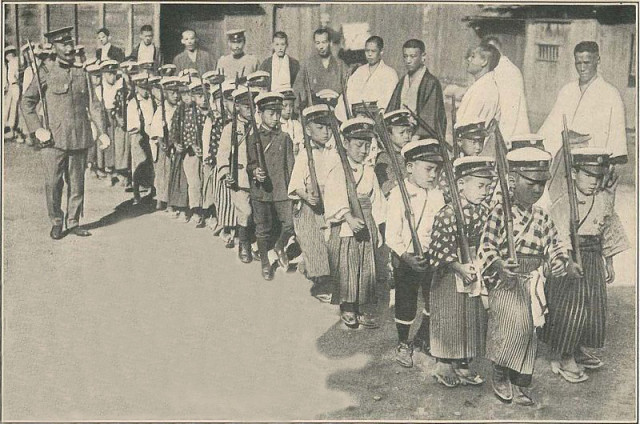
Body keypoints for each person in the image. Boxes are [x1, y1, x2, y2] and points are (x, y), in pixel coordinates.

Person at [478, 146, 577, 406]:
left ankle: (520, 383)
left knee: (529, 333)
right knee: (511, 329)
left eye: (541, 184)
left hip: (532, 280)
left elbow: (554, 246)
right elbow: (486, 246)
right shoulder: (499, 211)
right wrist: (498, 263)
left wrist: (558, 262)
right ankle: (500, 372)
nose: (536, 189)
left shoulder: (542, 216)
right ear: (512, 180)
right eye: (530, 182)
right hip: (506, 279)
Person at [540, 147, 629, 383]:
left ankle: (577, 347)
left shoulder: (602, 200)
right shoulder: (564, 202)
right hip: (570, 259)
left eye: (597, 177)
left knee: (591, 306)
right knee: (571, 308)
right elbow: (558, 235)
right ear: (574, 173)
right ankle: (564, 353)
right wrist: (569, 262)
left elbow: (608, 230)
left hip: (593, 258)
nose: (593, 182)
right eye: (588, 175)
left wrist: (609, 261)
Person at [22, 27, 104, 239]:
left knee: (77, 184)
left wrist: (102, 131)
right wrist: (37, 128)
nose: (68, 49)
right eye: (62, 45)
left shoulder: (81, 72)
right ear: (54, 47)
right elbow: (27, 101)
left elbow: (93, 105)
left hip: (79, 136)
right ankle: (57, 221)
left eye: (69, 44)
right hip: (53, 140)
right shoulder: (47, 71)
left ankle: (74, 221)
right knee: (53, 183)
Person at [428, 156, 495, 387]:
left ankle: (463, 362)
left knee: (471, 317)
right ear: (461, 185)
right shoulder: (447, 213)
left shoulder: (485, 211)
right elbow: (438, 248)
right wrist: (457, 266)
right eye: (480, 185)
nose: (485, 191)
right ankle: (444, 364)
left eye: (488, 186)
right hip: (450, 275)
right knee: (451, 318)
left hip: (475, 268)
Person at [538, 41, 628, 205]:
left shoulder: (610, 94)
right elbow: (552, 125)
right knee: (559, 206)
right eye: (578, 63)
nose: (582, 68)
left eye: (586, 62)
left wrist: (610, 167)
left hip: (592, 165)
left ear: (597, 60)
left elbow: (616, 135)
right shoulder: (567, 91)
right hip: (564, 162)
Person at [386, 139, 445, 367]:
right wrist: (405, 255)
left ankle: (423, 335)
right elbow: (391, 234)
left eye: (436, 170)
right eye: (428, 169)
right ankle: (403, 341)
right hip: (407, 258)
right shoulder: (399, 195)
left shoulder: (437, 194)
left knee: (433, 299)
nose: (433, 175)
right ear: (410, 167)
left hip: (432, 256)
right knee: (406, 301)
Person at [324, 116, 387, 329]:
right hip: (347, 223)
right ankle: (347, 304)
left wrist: (378, 225)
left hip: (366, 220)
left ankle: (361, 304)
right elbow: (334, 195)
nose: (363, 150)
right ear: (346, 143)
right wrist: (348, 217)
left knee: (364, 264)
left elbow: (377, 198)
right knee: (348, 264)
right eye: (359, 145)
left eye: (367, 146)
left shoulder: (369, 171)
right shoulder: (339, 169)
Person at [288, 103, 337, 300]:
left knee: (330, 243)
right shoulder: (304, 156)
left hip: (331, 203)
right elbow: (295, 184)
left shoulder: (333, 153)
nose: (325, 132)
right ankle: (320, 283)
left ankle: (310, 267)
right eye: (320, 128)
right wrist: (307, 196)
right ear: (308, 130)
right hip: (310, 205)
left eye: (328, 127)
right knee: (315, 242)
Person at [246, 92, 295, 280]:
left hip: (281, 188)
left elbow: (290, 165)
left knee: (290, 224)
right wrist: (254, 172)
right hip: (262, 191)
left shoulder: (285, 138)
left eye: (277, 113)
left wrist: (293, 190)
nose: (275, 118)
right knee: (262, 228)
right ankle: (265, 262)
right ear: (260, 114)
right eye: (270, 114)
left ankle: (280, 245)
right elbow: (249, 164)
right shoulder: (253, 138)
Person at [216, 86, 260, 262]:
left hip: (256, 178)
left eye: (253, 106)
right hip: (239, 177)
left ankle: (255, 243)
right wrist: (226, 172)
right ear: (237, 107)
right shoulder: (230, 128)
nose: (251, 110)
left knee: (257, 212)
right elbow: (223, 153)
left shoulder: (258, 126)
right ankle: (244, 244)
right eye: (246, 106)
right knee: (246, 212)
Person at [387, 39, 446, 139]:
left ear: (423, 56)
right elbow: (392, 110)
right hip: (400, 134)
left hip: (420, 136)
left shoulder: (431, 82)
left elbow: (430, 117)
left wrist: (416, 136)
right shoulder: (402, 81)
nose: (408, 60)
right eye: (405, 56)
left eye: (413, 56)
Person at [335, 36, 398, 122]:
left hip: (377, 120)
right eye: (367, 51)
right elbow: (347, 95)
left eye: (373, 51)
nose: (369, 54)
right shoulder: (359, 71)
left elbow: (388, 102)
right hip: (354, 118)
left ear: (381, 52)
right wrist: (351, 117)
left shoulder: (390, 74)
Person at [455, 44, 501, 156]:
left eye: (473, 56)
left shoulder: (484, 90)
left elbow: (470, 127)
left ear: (484, 61)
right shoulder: (482, 86)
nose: (469, 60)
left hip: (472, 150)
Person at [482, 36, 530, 140]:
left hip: (509, 129)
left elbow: (507, 108)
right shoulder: (509, 68)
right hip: (515, 128)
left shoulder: (503, 71)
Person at [148, 76, 181, 211]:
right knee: (163, 173)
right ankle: (162, 199)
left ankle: (173, 200)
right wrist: (162, 141)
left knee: (175, 173)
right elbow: (156, 129)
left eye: (176, 92)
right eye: (172, 92)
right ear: (165, 94)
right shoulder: (161, 110)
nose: (175, 95)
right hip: (165, 147)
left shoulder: (179, 108)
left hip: (176, 145)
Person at [293, 28, 349, 106]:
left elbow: (348, 88)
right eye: (318, 43)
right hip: (314, 108)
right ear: (315, 44)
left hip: (336, 108)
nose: (321, 46)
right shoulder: (308, 64)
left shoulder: (341, 65)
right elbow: (298, 88)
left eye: (324, 42)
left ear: (330, 43)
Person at [126, 72, 156, 204]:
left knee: (151, 163)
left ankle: (151, 190)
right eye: (142, 88)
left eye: (146, 88)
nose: (145, 91)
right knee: (138, 164)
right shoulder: (133, 103)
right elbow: (132, 124)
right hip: (138, 136)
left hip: (150, 135)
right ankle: (136, 193)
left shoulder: (151, 101)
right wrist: (140, 127)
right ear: (137, 88)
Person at [166, 77, 193, 222]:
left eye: (189, 94)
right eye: (184, 95)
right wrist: (175, 143)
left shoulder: (196, 111)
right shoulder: (179, 110)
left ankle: (187, 209)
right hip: (180, 152)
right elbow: (173, 129)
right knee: (178, 179)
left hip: (191, 151)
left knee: (189, 181)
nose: (187, 98)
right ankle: (177, 206)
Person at [374, 109, 415, 197]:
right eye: (401, 132)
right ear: (389, 134)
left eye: (409, 132)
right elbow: (385, 187)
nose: (407, 136)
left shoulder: (411, 155)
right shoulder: (384, 158)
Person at [277, 88, 304, 155]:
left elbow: (301, 142)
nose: (288, 109)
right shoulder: (276, 125)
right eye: (285, 106)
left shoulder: (296, 125)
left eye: (291, 106)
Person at [3, 45, 20, 141]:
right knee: (8, 107)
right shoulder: (9, 64)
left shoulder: (15, 62)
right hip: (11, 86)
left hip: (15, 85)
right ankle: (7, 127)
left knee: (14, 107)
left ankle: (12, 128)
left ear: (10, 54)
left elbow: (17, 74)